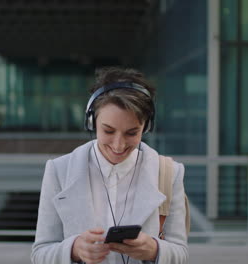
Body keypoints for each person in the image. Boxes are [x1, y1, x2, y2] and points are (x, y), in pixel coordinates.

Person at [31, 67, 188, 264]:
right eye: (108, 131)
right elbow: (39, 254)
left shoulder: (169, 173)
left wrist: (154, 250)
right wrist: (73, 250)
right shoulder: (58, 170)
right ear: (92, 122)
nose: (118, 145)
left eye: (132, 133)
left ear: (146, 127)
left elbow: (180, 254)